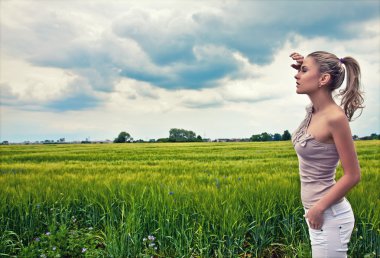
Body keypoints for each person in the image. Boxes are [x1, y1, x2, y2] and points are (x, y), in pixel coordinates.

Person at [290, 51, 363, 257]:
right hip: (318, 214)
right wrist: (306, 66)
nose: (297, 76)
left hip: (329, 215)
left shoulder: (335, 118)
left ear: (323, 79)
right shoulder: (313, 111)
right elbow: (314, 87)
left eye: (304, 71)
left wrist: (318, 208)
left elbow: (353, 175)